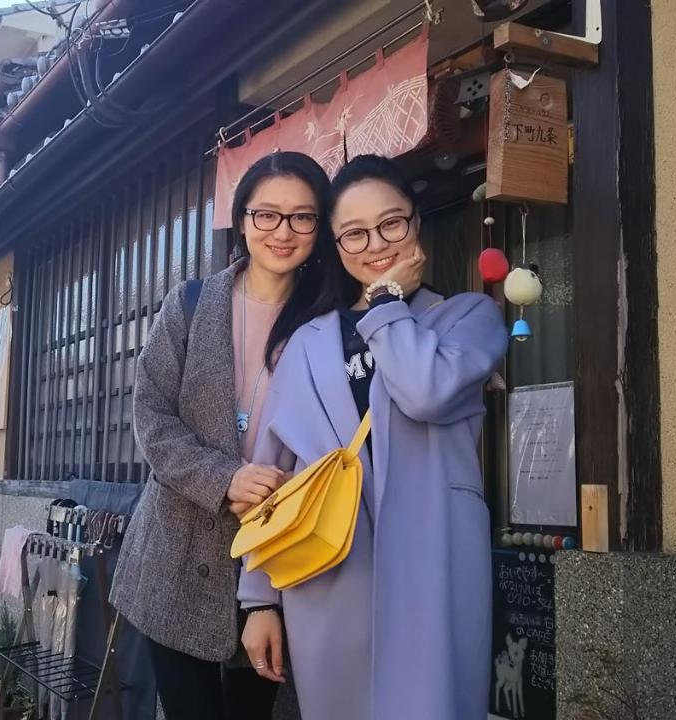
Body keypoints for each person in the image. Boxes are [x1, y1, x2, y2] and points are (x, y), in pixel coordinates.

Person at [237, 154, 509, 719]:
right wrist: (259, 600)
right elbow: (271, 477)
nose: (376, 243)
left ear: (416, 222)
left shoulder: (467, 317)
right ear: (336, 245)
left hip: (433, 565)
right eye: (354, 233)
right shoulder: (306, 342)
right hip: (328, 575)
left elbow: (425, 391)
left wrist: (386, 302)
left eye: (391, 223)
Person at [110, 151, 339, 719]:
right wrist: (225, 476)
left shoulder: (329, 320)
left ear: (320, 226)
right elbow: (152, 417)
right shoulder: (189, 304)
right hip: (177, 553)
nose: (282, 232)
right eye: (267, 214)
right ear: (241, 220)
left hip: (279, 555)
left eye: (302, 217)